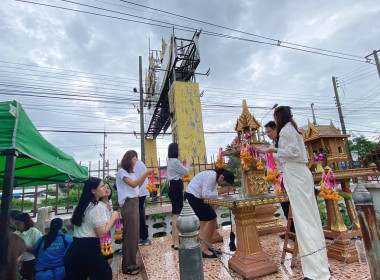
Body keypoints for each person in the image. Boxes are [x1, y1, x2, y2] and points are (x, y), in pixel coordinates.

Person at [265, 106, 330, 280]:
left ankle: (316, 273)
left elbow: (293, 153)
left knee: (304, 222)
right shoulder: (293, 129)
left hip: (295, 174)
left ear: (278, 118)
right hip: (300, 173)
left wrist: (274, 150)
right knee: (310, 220)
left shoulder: (286, 131)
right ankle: (321, 267)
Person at [64, 177, 119, 280]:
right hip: (89, 249)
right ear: (93, 191)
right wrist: (113, 218)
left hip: (75, 248)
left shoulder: (80, 206)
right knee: (105, 275)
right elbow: (101, 233)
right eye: (102, 186)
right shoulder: (97, 207)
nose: (104, 188)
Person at [253, 120, 295, 238]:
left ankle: (295, 231)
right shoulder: (273, 142)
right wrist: (261, 153)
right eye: (266, 132)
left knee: (290, 203)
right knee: (284, 204)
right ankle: (290, 230)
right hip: (278, 175)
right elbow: (271, 158)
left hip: (286, 174)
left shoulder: (282, 141)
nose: (268, 134)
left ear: (276, 129)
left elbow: (281, 157)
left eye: (269, 131)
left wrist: (265, 152)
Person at [184, 168, 234, 258]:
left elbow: (209, 194)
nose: (223, 185)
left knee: (210, 218)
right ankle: (204, 249)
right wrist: (221, 191)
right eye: (225, 184)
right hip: (192, 197)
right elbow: (206, 194)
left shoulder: (213, 176)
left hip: (195, 197)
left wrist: (219, 192)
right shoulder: (211, 176)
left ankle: (208, 246)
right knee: (211, 218)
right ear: (222, 177)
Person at [116, 150, 151, 276]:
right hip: (128, 204)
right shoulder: (122, 172)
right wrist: (146, 172)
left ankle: (131, 262)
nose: (136, 162)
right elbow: (133, 184)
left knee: (134, 235)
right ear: (128, 160)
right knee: (130, 235)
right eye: (134, 159)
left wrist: (145, 176)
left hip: (135, 202)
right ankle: (128, 266)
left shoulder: (131, 173)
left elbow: (138, 185)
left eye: (136, 159)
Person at [167, 142, 189, 250]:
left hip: (173, 186)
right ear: (175, 150)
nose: (180, 150)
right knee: (177, 215)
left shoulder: (172, 161)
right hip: (176, 187)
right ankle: (176, 243)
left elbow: (180, 172)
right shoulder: (175, 161)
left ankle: (174, 241)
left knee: (176, 215)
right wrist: (188, 163)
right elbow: (185, 171)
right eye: (179, 149)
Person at [14, 212, 43, 280]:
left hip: (31, 263)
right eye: (16, 224)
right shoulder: (15, 234)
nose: (17, 226)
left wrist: (22, 247)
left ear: (25, 223)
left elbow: (38, 248)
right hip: (17, 263)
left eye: (19, 224)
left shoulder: (34, 232)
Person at [131, 150, 151, 246]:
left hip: (139, 192)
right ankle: (143, 237)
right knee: (140, 214)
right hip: (141, 191)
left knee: (139, 215)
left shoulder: (137, 164)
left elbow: (137, 179)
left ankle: (144, 237)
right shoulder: (140, 164)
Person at [99, 182, 114, 264]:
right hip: (100, 235)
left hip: (107, 234)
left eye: (108, 188)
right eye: (104, 188)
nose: (107, 189)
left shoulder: (110, 202)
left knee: (109, 258)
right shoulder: (98, 205)